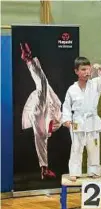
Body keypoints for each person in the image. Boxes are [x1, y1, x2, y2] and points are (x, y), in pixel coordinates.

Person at [62, 57, 101, 181]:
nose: (86, 72)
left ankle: (94, 171)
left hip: (92, 121)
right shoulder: (72, 89)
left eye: (88, 69)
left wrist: (100, 68)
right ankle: (74, 171)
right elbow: (66, 106)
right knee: (76, 149)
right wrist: (66, 120)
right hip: (77, 122)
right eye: (83, 69)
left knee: (94, 148)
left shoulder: (95, 84)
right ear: (76, 71)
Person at [20, 43, 62, 180]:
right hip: (44, 108)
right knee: (43, 83)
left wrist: (44, 168)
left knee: (43, 84)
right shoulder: (53, 119)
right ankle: (28, 59)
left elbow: (41, 146)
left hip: (40, 112)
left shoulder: (44, 131)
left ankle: (28, 59)